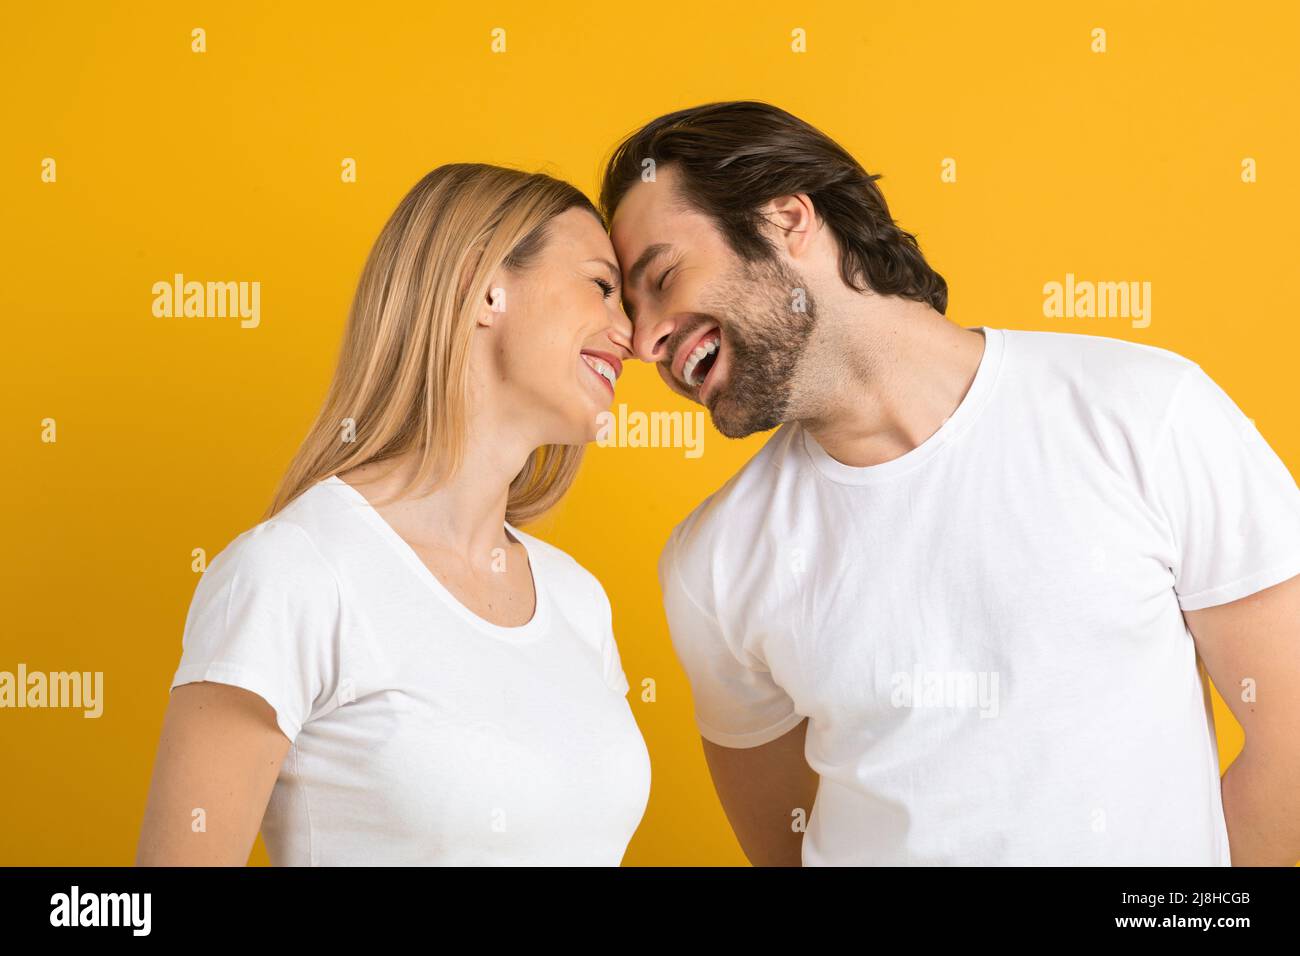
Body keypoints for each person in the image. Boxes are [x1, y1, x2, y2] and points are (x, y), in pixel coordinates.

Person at [599, 100, 1300, 866]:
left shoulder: (1143, 411)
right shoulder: (713, 562)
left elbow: (1289, 746)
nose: (643, 340)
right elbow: (785, 843)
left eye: (661, 277)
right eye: (632, 314)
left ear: (787, 219)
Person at [138, 164, 650, 865]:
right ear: (483, 285)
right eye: (601, 286)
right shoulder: (295, 573)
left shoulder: (577, 601)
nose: (631, 335)